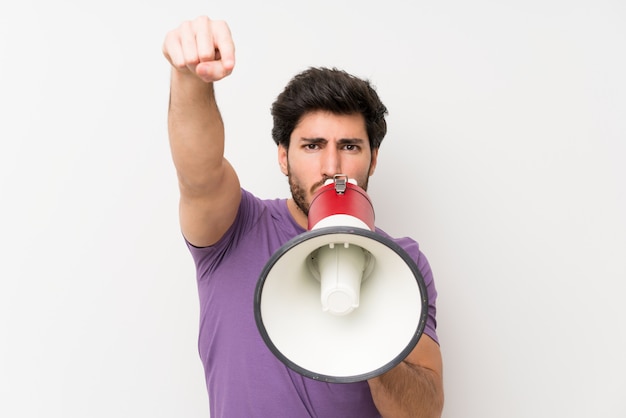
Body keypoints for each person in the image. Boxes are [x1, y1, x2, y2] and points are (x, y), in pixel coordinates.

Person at [162, 16, 444, 418]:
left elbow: (424, 411)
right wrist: (190, 78)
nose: (332, 166)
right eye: (312, 145)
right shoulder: (237, 228)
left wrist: (372, 331)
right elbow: (199, 175)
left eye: (349, 146)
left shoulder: (404, 262)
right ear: (283, 156)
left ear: (374, 159)